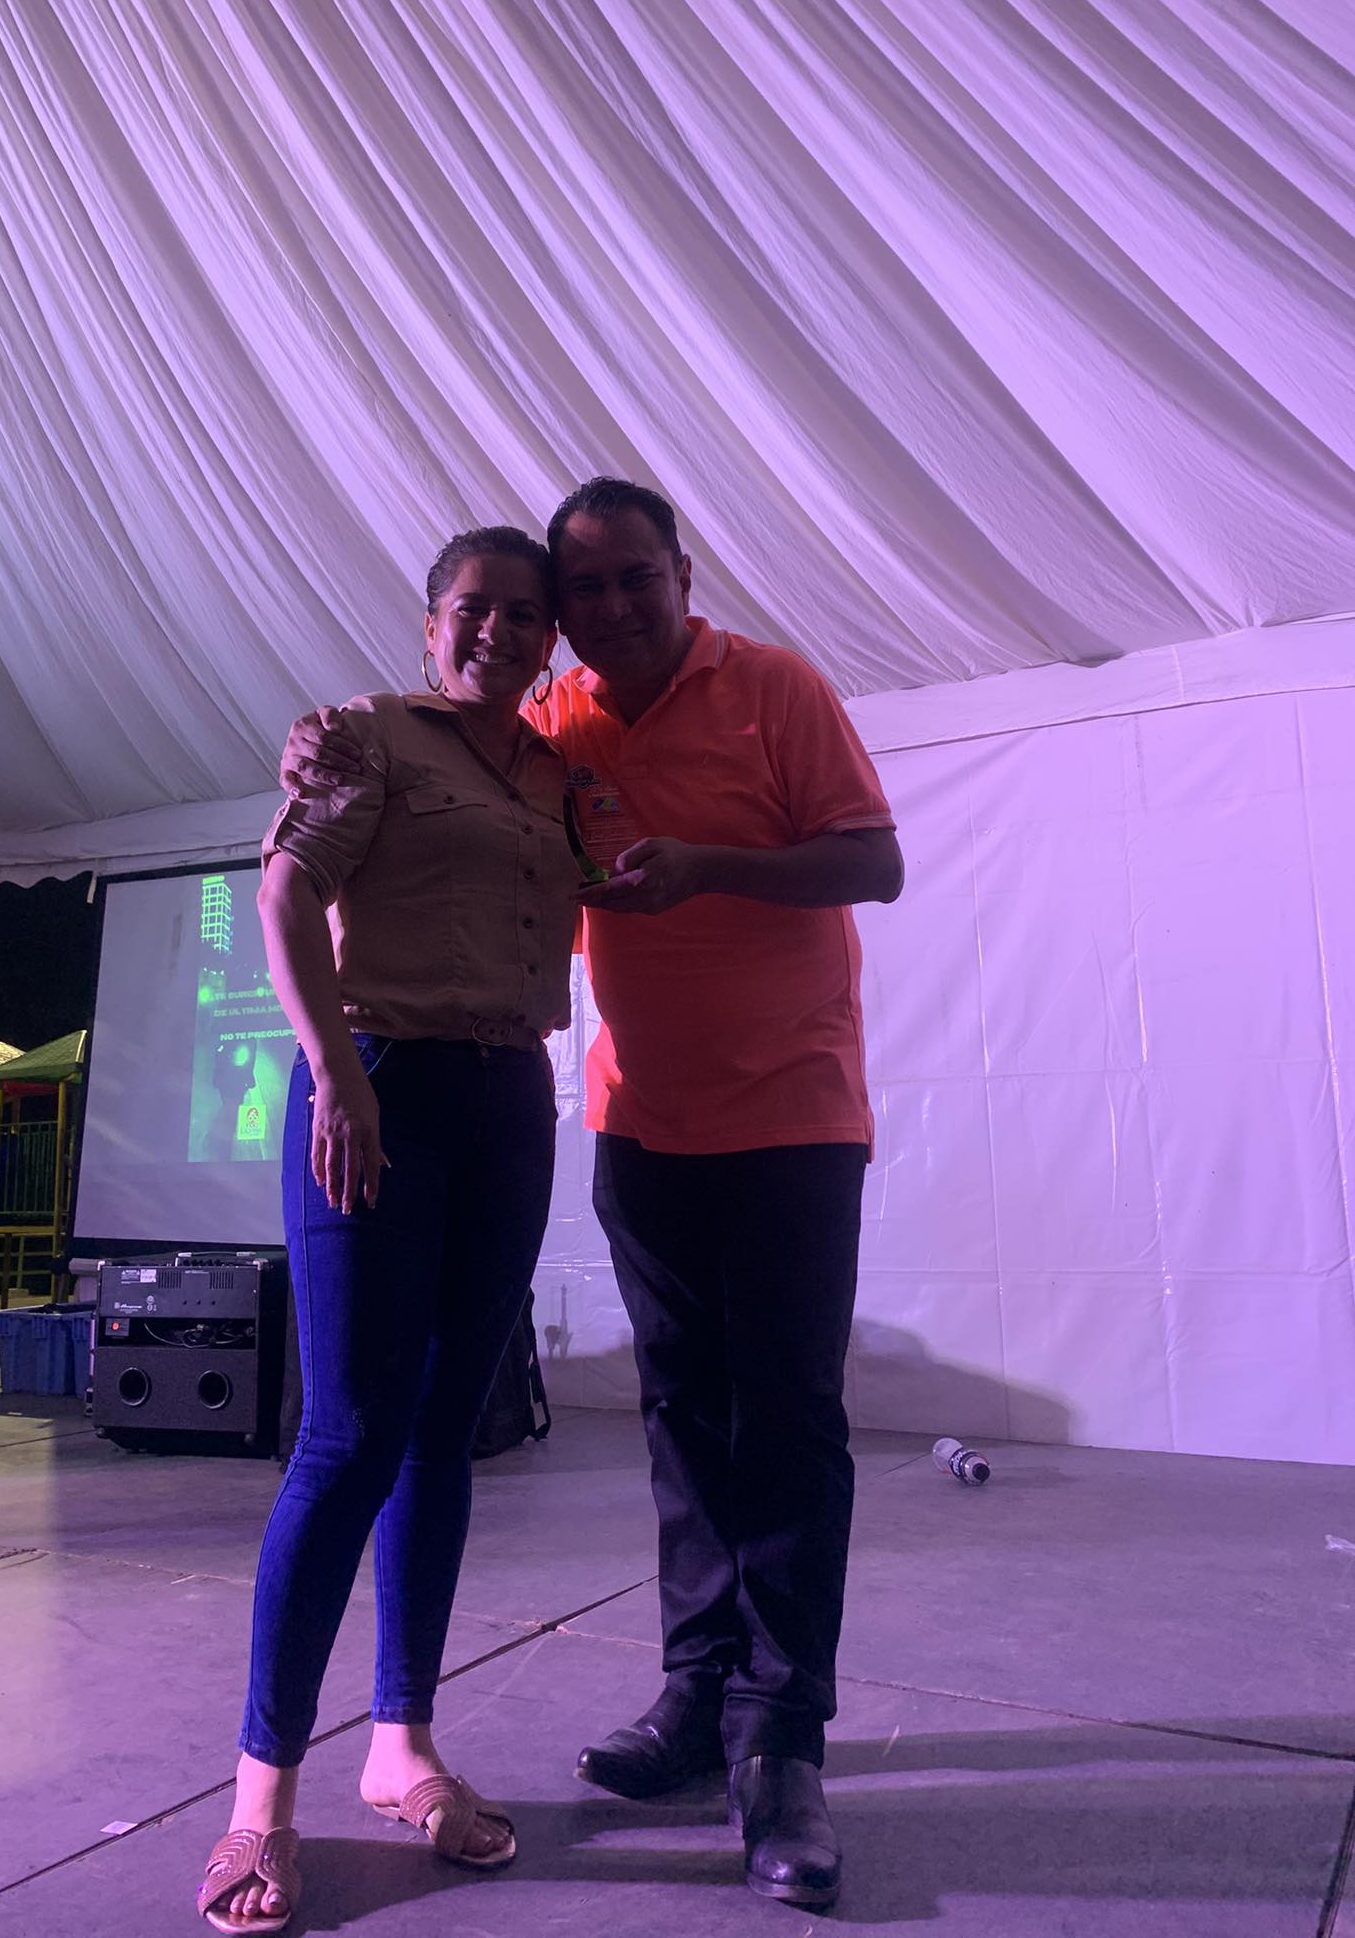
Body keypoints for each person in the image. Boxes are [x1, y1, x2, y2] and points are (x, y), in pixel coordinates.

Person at [279, 478, 903, 1911]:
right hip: (640, 1123)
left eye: (637, 579)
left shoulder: (775, 689)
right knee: (681, 1412)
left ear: (685, 575)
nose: (612, 607)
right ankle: (697, 1693)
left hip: (794, 1117)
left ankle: (782, 1740)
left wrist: (708, 872)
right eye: (587, 591)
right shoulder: (554, 724)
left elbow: (875, 861)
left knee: (787, 1420)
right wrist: (328, 737)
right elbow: (440, 745)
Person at [199, 527, 580, 1934]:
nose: (499, 632)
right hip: (378, 1081)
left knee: (443, 1427)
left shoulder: (557, 774)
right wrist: (339, 1077)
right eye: (474, 609)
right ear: (432, 626)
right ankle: (261, 1801)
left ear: (551, 638)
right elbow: (286, 892)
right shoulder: (368, 734)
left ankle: (401, 1746)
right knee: (350, 1432)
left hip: (510, 1095)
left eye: (526, 614)